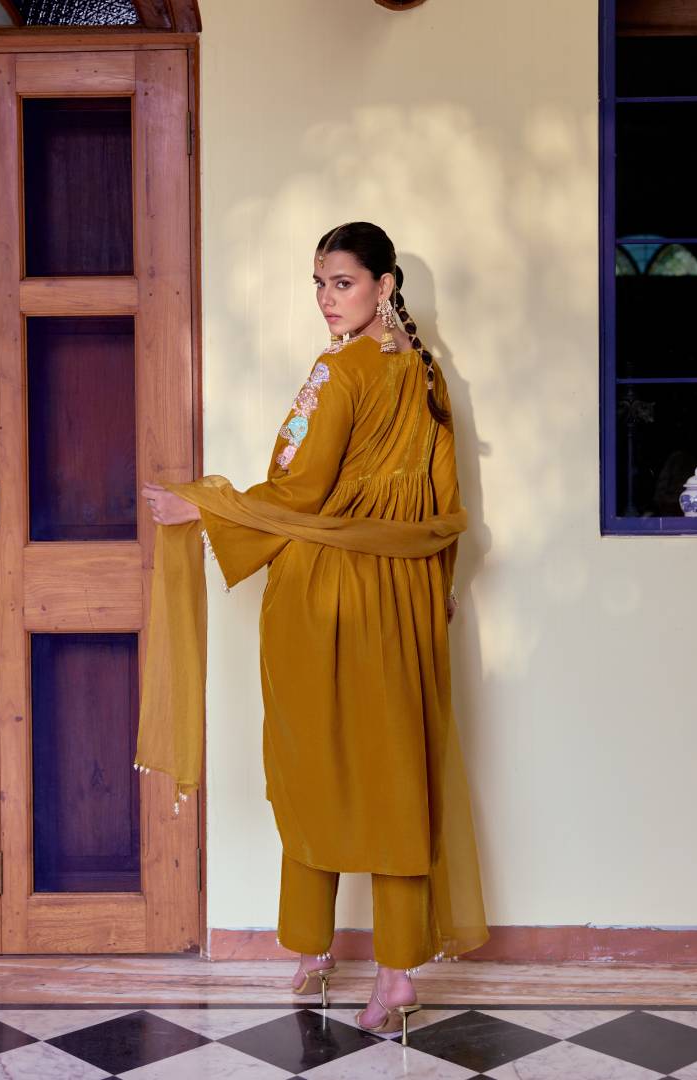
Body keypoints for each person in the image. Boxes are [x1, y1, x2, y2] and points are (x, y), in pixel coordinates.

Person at [139, 221, 488, 1043]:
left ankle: (311, 949)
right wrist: (436, 591)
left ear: (384, 286)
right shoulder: (429, 375)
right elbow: (445, 509)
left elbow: (298, 489)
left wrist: (205, 505)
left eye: (343, 283)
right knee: (396, 771)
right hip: (404, 594)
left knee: (312, 761)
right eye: (320, 285)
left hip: (326, 592)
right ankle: (394, 970)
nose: (328, 301)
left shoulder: (336, 372)